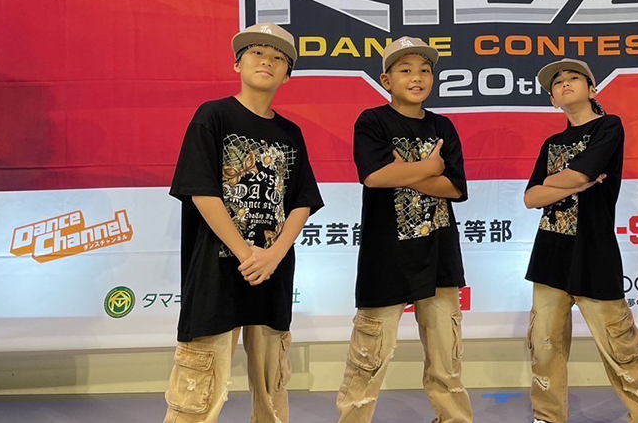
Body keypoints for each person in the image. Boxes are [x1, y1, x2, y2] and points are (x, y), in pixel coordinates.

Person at [164, 22, 324, 423]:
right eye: (256, 53)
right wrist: (246, 254)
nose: (266, 61)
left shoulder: (290, 133)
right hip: (217, 275)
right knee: (197, 392)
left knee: (272, 393)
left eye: (278, 58)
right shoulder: (213, 116)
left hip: (272, 276)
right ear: (237, 64)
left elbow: (302, 201)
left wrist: (274, 254)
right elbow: (202, 192)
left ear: (287, 75)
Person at [336, 36, 472, 423]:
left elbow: (455, 188)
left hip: (440, 257)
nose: (417, 77)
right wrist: (429, 168)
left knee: (447, 363)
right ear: (387, 79)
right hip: (386, 259)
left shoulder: (443, 125)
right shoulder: (372, 121)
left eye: (425, 70)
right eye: (406, 70)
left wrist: (406, 172)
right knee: (367, 361)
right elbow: (376, 176)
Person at [523, 58, 638, 423]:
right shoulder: (552, 142)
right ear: (552, 99)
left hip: (594, 252)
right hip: (549, 255)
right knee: (544, 346)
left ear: (592, 89)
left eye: (574, 78)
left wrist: (562, 182)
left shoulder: (608, 126)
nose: (564, 84)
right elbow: (531, 198)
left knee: (621, 348)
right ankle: (548, 417)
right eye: (557, 83)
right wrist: (573, 182)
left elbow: (580, 174)